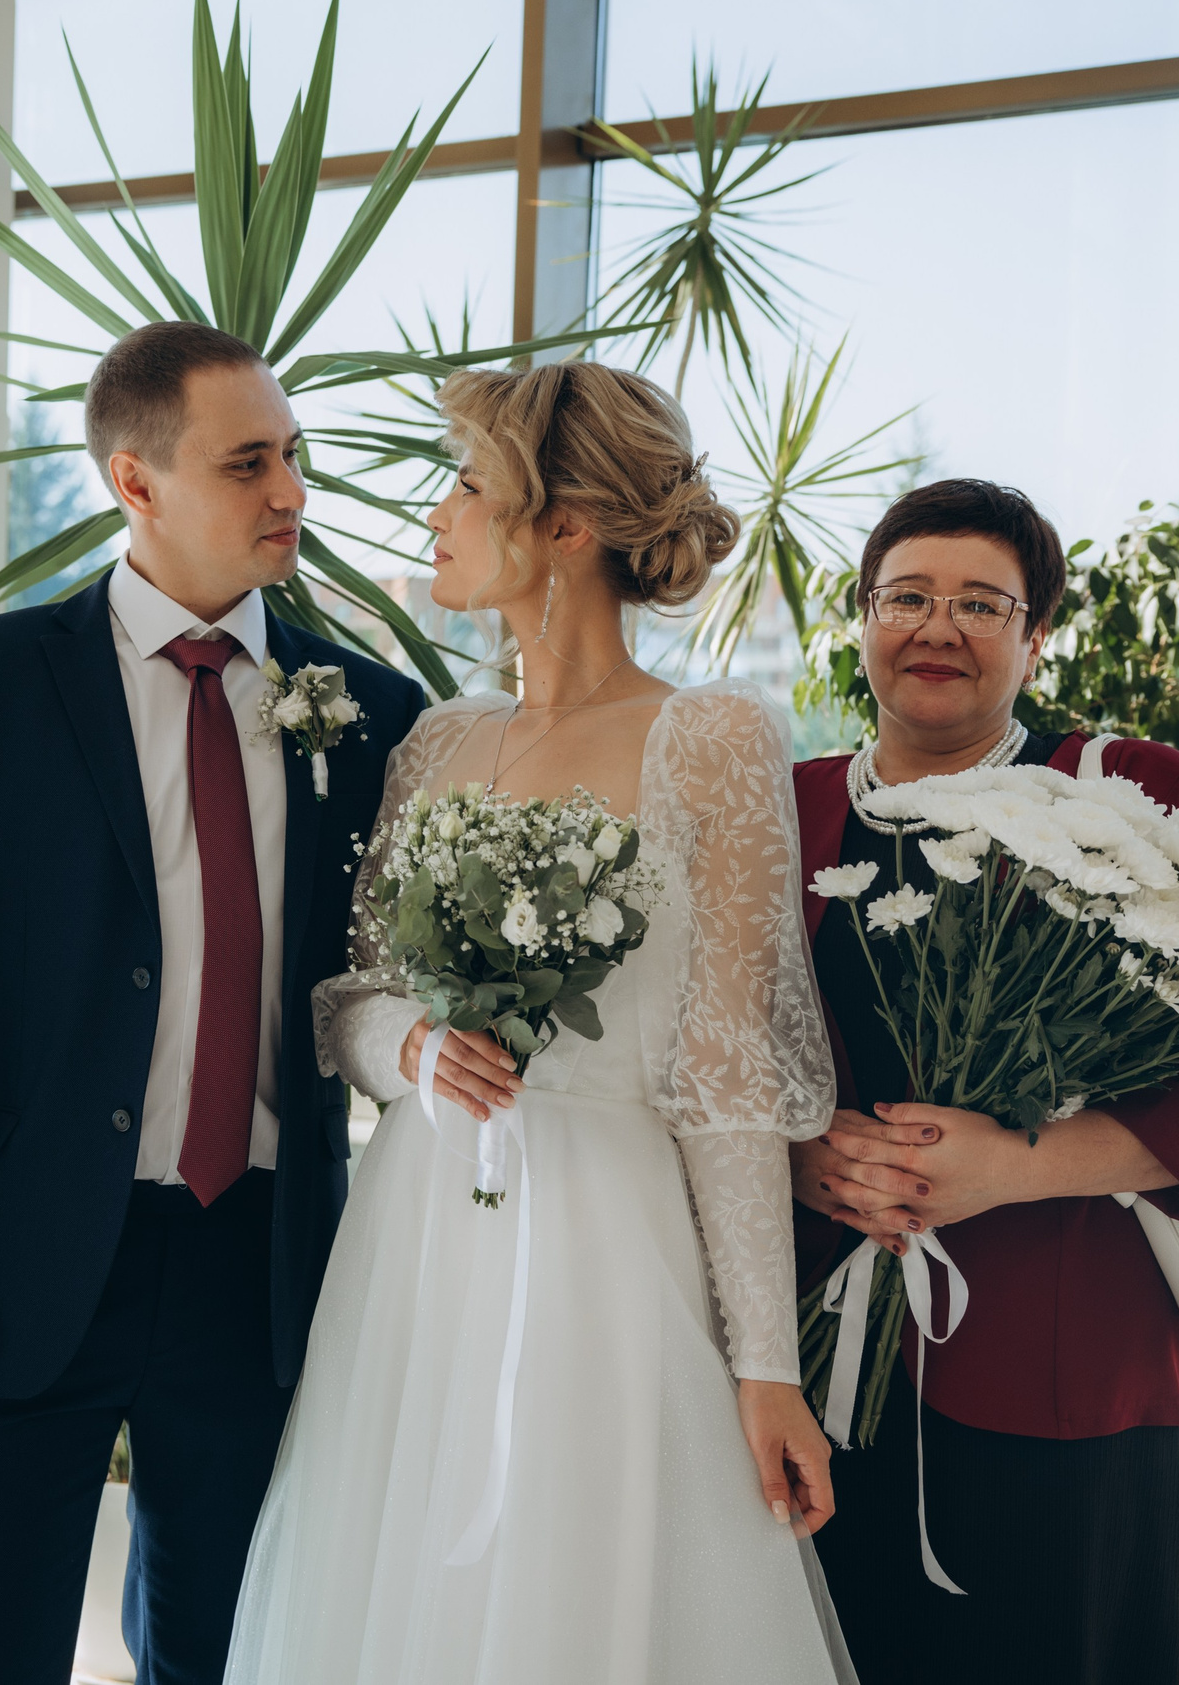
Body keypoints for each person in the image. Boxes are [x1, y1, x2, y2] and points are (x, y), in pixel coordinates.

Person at [228, 361, 857, 1685]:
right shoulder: (436, 743)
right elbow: (344, 1000)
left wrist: (764, 1365)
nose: (435, 515)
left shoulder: (713, 736)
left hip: (606, 1246)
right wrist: (410, 1043)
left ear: (565, 524)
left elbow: (726, 1082)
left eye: (467, 483)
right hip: (413, 1246)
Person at [0, 321, 421, 1685]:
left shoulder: (375, 710)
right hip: (20, 1262)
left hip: (262, 1265)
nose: (290, 491)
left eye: (293, 456)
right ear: (135, 481)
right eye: (247, 462)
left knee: (231, 1649)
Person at [791, 478, 1179, 1684]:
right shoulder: (784, 808)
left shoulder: (1134, 797)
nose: (936, 628)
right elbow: (709, 1054)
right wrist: (800, 1154)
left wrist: (1015, 1168)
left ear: (1036, 633)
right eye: (905, 596)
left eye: (979, 603)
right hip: (825, 1346)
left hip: (1063, 1353)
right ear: (861, 619)